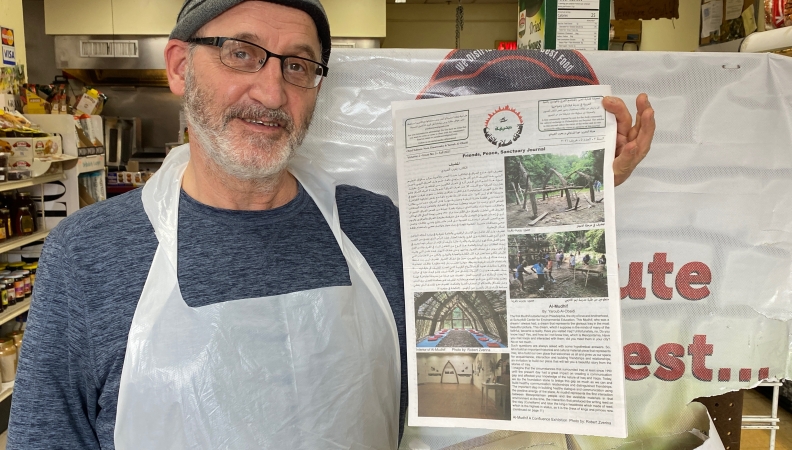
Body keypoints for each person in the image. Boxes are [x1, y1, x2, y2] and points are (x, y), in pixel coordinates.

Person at [8, 0, 656, 447]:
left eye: (297, 65)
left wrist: (574, 189)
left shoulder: (372, 228)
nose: (271, 93)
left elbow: (486, 350)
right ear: (180, 66)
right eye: (241, 54)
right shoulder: (90, 254)